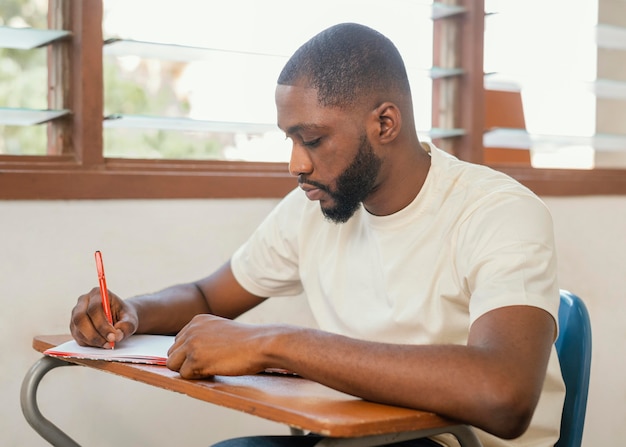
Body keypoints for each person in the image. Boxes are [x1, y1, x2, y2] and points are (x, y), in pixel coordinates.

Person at [70, 23, 565, 447]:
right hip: (352, 434)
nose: (296, 164)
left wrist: (277, 343)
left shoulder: (498, 212)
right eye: (290, 139)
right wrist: (132, 311)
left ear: (385, 123)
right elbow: (207, 295)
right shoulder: (314, 207)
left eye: (312, 139)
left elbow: (503, 394)